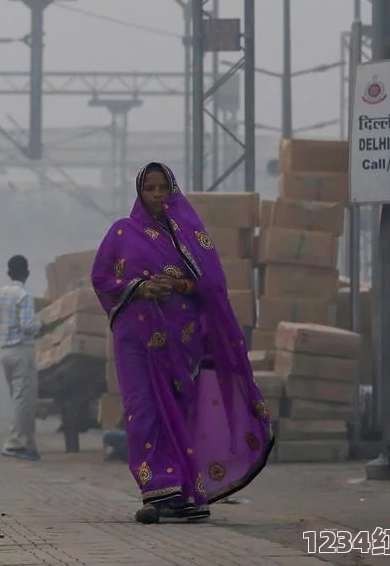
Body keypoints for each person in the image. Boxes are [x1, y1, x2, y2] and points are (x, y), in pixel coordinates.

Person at [90, 162, 274, 524]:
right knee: (143, 409)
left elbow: (211, 286)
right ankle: (158, 489)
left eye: (163, 188)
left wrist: (177, 286)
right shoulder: (122, 232)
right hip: (136, 339)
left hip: (182, 341)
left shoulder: (190, 235)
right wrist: (139, 288)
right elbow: (101, 278)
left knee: (176, 413)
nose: (157, 195)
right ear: (140, 193)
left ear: (173, 190)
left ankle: (182, 492)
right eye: (150, 189)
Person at [0, 254, 42, 461]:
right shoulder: (24, 296)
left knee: (18, 399)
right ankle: (14, 444)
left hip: (5, 351)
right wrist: (42, 324)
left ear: (8, 272)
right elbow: (27, 325)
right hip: (22, 350)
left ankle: (28, 443)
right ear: (27, 274)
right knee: (24, 401)